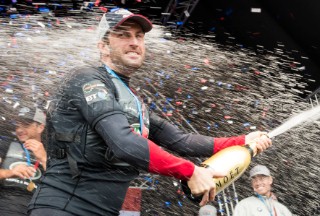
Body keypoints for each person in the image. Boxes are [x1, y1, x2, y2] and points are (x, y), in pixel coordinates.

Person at [28, 8, 272, 216]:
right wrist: (190, 171)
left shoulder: (134, 101)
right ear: (103, 47)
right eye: (123, 35)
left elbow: (181, 141)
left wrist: (241, 141)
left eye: (139, 36)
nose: (134, 42)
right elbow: (123, 142)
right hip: (62, 207)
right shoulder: (85, 79)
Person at [0, 106, 47, 216]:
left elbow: (61, 183)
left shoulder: (51, 151)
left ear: (40, 127)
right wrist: (10, 172)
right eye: (17, 125)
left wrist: (44, 159)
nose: (19, 130)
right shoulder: (6, 145)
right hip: (4, 202)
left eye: (26, 124)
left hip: (37, 207)